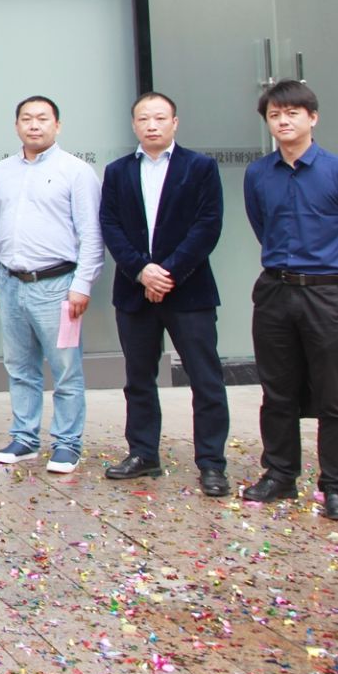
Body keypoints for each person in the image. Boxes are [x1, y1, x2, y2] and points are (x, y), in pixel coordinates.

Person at [242, 79, 338, 523]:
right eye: (274, 115)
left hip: (327, 293)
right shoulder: (258, 174)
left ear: (312, 117)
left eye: (292, 113)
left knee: (335, 395)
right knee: (277, 391)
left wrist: (332, 266)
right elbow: (261, 225)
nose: (283, 121)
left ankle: (336, 486)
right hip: (275, 291)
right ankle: (280, 475)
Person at [100, 92, 229, 496]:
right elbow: (110, 226)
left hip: (188, 291)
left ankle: (212, 463)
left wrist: (167, 273)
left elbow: (208, 225)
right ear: (134, 125)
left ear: (175, 122)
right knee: (138, 378)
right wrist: (141, 271)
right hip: (134, 291)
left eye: (160, 118)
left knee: (205, 379)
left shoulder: (200, 167)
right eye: (144, 118)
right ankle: (143, 454)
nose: (152, 125)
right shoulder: (118, 171)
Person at [0, 95, 103, 475]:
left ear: (57, 125)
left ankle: (67, 444)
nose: (34, 125)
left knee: (65, 370)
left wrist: (82, 284)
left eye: (43, 119)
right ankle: (25, 437)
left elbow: (91, 234)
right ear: (16, 125)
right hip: (11, 283)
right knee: (19, 367)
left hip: (57, 285)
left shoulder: (76, 171)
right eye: (27, 118)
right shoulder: (2, 171)